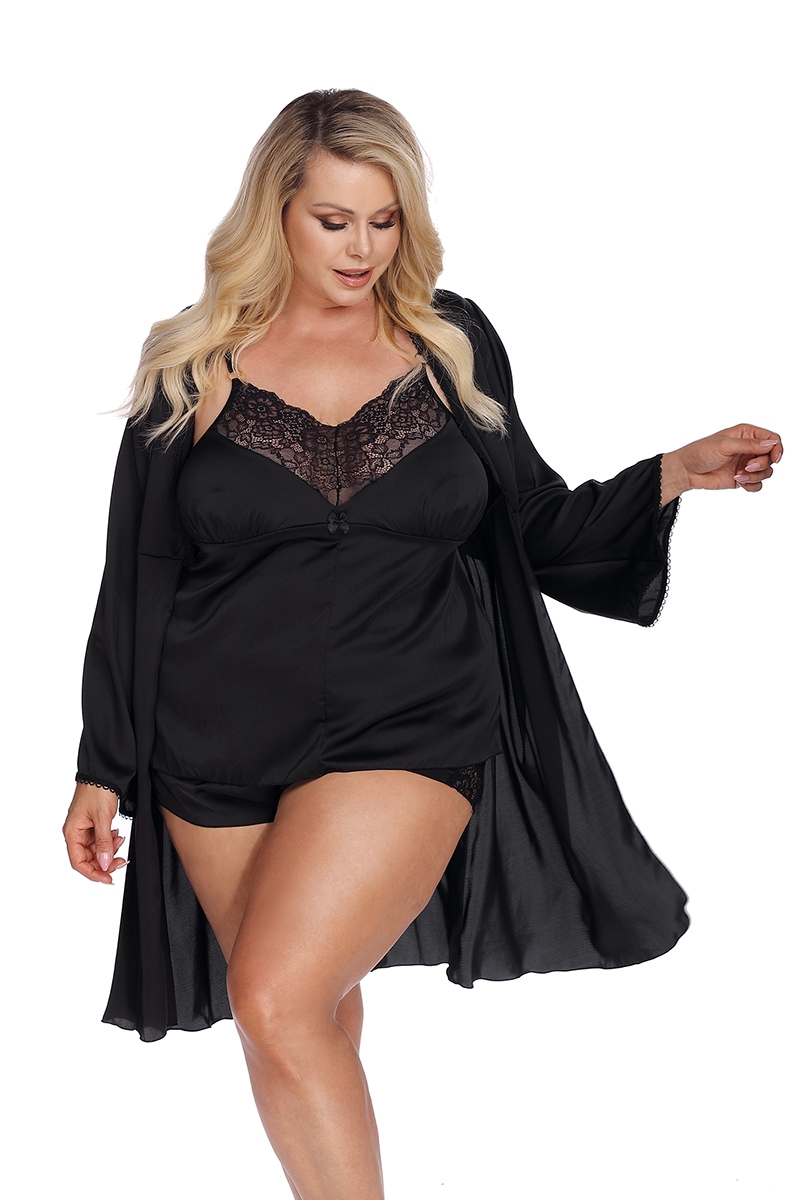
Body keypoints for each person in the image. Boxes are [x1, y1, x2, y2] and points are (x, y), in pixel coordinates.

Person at [62, 89, 782, 1199]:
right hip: (209, 739)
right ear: (276, 214)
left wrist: (669, 475)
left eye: (383, 220)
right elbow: (141, 575)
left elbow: (530, 523)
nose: (361, 248)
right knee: (301, 1014)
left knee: (274, 996)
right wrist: (102, 765)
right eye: (333, 220)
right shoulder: (192, 361)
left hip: (409, 722)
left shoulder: (449, 344)